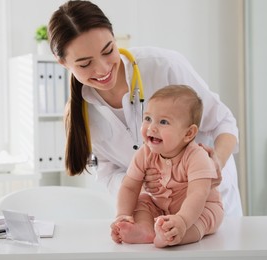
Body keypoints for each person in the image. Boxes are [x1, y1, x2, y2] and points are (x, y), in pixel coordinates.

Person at [47, 0, 243, 216]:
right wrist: (138, 180)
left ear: (114, 36)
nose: (102, 69)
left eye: (108, 50)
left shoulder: (162, 66)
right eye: (85, 64)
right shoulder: (81, 113)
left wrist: (215, 162)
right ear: (63, 63)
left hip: (211, 206)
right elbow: (107, 173)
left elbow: (223, 122)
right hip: (155, 217)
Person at [110, 85, 223, 247]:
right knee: (143, 200)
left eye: (163, 122)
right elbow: (129, 187)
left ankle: (175, 236)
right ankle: (145, 229)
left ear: (188, 133)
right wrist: (122, 215)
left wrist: (182, 220)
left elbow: (197, 194)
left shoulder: (197, 156)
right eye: (148, 118)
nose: (152, 127)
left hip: (199, 209)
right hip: (160, 209)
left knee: (203, 218)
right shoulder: (144, 153)